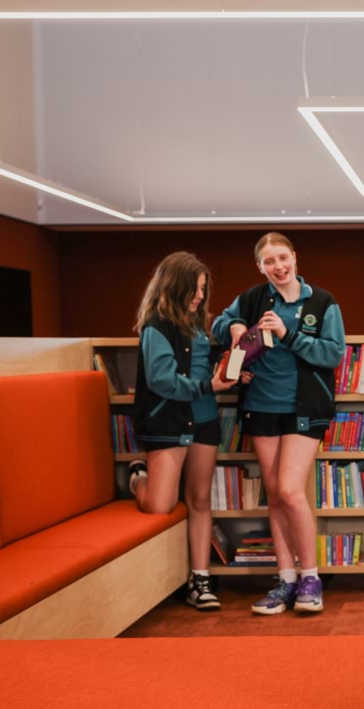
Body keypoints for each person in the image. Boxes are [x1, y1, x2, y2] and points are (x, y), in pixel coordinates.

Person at [212, 232, 345, 615]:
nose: (278, 267)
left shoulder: (322, 302)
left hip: (306, 406)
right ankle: (286, 579)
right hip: (261, 405)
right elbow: (220, 323)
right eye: (270, 262)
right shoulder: (253, 297)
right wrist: (235, 327)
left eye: (283, 258)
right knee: (275, 493)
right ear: (260, 267)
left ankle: (311, 576)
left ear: (295, 258)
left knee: (289, 490)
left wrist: (290, 335)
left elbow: (333, 354)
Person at [129, 251, 237, 612]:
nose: (200, 297)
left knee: (200, 500)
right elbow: (162, 380)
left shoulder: (197, 326)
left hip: (204, 421)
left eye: (203, 290)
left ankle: (200, 579)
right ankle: (136, 477)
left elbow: (203, 369)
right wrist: (210, 386)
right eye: (195, 289)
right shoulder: (156, 326)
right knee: (160, 505)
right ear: (175, 287)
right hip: (168, 424)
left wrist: (229, 373)